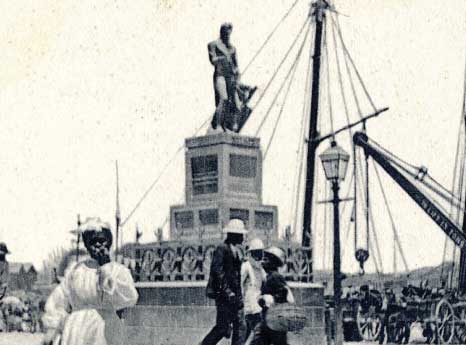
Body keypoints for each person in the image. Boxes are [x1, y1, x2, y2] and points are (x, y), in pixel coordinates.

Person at [41, 217, 139, 345]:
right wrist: (52, 329)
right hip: (77, 330)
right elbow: (59, 300)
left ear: (109, 242)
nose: (98, 244)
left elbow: (129, 297)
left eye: (102, 240)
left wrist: (106, 267)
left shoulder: (118, 271)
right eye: (93, 241)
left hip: (104, 330)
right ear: (87, 245)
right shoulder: (75, 270)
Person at [201, 219, 248, 345]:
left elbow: (236, 277)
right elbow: (218, 272)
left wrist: (238, 297)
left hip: (235, 297)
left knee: (240, 326)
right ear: (234, 235)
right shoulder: (222, 249)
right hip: (224, 297)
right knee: (222, 328)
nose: (243, 237)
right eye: (241, 235)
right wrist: (228, 292)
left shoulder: (237, 251)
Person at [208, 23, 256, 132]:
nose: (227, 36)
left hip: (230, 77)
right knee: (223, 98)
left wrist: (236, 73)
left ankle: (224, 125)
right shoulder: (213, 44)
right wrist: (224, 60)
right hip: (220, 74)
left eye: (229, 34)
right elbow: (213, 60)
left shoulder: (232, 48)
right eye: (226, 33)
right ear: (222, 33)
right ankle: (219, 125)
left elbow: (236, 66)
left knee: (231, 102)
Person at [251, 246, 294, 345]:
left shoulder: (275, 276)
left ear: (273, 262)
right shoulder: (269, 276)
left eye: (266, 259)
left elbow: (283, 293)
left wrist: (269, 299)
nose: (262, 261)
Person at [241, 238, 266, 341]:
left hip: (258, 304)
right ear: (251, 254)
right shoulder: (246, 266)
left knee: (251, 333)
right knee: (255, 331)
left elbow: (265, 282)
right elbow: (239, 283)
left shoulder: (261, 269)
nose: (258, 257)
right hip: (250, 306)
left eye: (260, 253)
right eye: (256, 253)